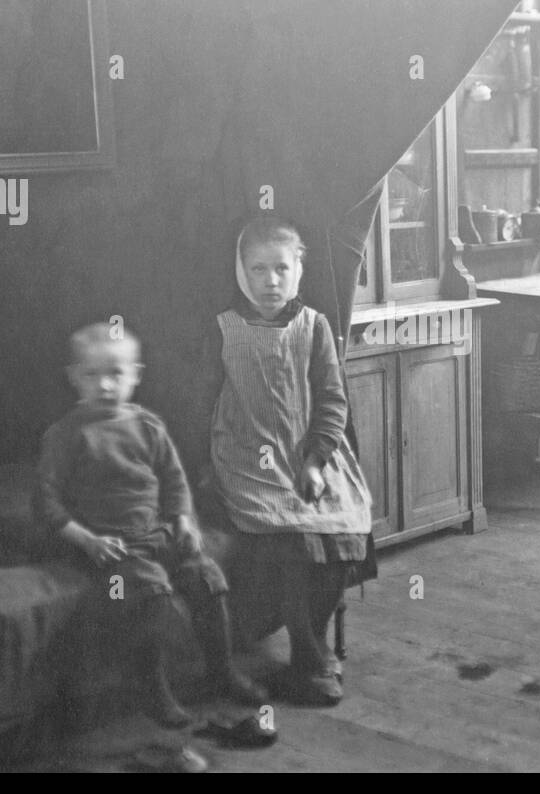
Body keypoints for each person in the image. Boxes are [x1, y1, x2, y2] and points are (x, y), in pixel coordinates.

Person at [35, 322, 269, 745]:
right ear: (74, 377)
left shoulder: (148, 425)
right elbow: (46, 502)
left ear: (136, 375)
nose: (105, 385)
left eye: (116, 374)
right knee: (150, 597)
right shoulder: (66, 435)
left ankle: (222, 670)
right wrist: (87, 540)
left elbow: (174, 480)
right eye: (92, 375)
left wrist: (182, 521)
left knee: (207, 580)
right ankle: (154, 687)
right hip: (111, 546)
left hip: (157, 533)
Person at [197, 216, 375, 706]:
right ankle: (311, 658)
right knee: (292, 538)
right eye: (257, 270)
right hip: (246, 456)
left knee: (341, 530)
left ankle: (310, 648)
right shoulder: (224, 330)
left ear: (299, 269)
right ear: (241, 272)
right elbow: (202, 401)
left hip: (304, 452)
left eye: (281, 268)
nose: (270, 281)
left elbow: (333, 403)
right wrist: (203, 469)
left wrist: (317, 459)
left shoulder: (313, 327)